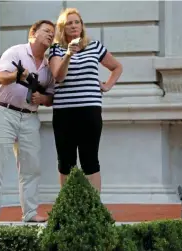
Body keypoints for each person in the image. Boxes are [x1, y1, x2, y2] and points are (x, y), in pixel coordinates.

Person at [0, 20, 56, 224]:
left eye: (53, 33)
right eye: (46, 31)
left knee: (31, 167)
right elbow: (1, 77)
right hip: (4, 112)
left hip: (30, 117)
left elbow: (51, 96)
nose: (50, 35)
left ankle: (31, 213)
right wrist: (19, 74)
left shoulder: (49, 66)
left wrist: (42, 99)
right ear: (32, 33)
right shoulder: (15, 53)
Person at [48, 8, 123, 193]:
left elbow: (117, 67)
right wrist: (68, 55)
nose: (73, 26)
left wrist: (107, 85)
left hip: (90, 110)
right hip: (64, 112)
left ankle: (93, 208)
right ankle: (68, 205)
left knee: (90, 159)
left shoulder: (94, 46)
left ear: (82, 26)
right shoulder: (56, 50)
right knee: (66, 161)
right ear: (62, 28)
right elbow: (58, 77)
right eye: (69, 23)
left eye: (76, 22)